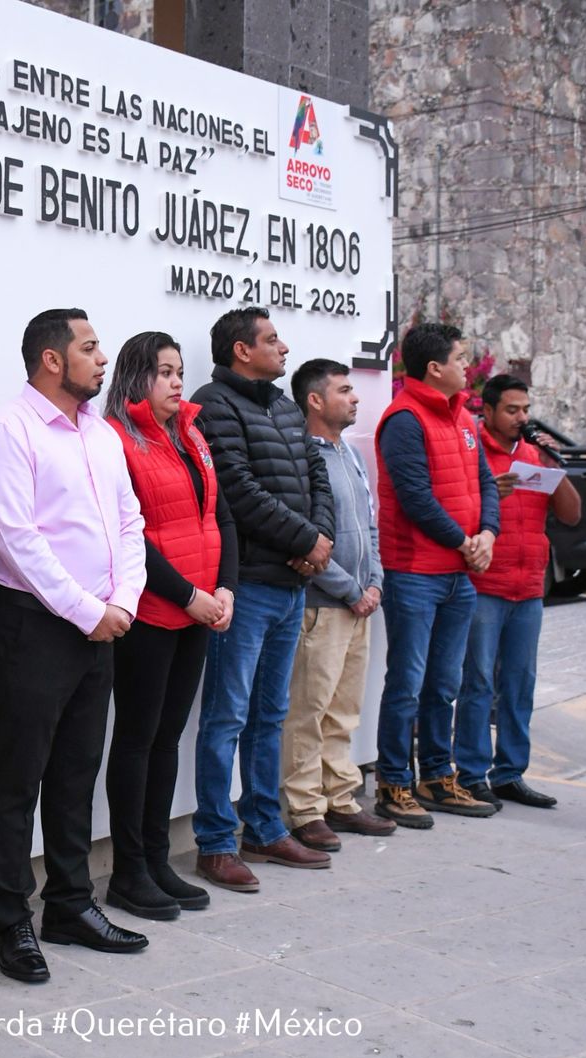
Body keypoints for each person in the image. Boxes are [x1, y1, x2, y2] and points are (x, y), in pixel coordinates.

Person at [0, 308, 148, 983]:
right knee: (19, 776)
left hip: (101, 620)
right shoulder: (6, 431)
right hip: (33, 623)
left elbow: (129, 520)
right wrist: (86, 610)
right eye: (89, 347)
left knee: (78, 770)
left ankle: (71, 905)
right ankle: (11, 919)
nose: (102, 358)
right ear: (52, 359)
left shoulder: (100, 434)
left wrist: (122, 603)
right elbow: (15, 538)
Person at [190, 307, 338, 892]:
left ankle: (265, 826)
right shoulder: (214, 403)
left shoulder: (282, 405)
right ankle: (215, 843)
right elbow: (237, 490)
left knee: (269, 714)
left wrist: (315, 544)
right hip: (248, 585)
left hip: (290, 583)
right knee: (226, 716)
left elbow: (315, 477)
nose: (283, 347)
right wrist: (307, 541)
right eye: (271, 339)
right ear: (241, 350)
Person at [100, 331, 236, 920]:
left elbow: (220, 514)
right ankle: (128, 871)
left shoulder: (191, 433)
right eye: (164, 372)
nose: (178, 381)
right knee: (136, 739)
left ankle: (157, 858)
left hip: (201, 611)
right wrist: (189, 596)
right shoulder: (116, 441)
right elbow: (134, 541)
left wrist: (224, 588)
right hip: (155, 614)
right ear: (135, 377)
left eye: (179, 370)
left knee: (166, 737)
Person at [372, 321, 501, 829]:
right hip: (415, 574)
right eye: (460, 357)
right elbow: (415, 497)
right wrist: (464, 543)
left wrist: (487, 534)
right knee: (406, 682)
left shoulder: (465, 418)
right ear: (434, 368)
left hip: (458, 574)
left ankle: (435, 777)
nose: (466, 365)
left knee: (444, 684)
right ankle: (393, 784)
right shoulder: (403, 419)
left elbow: (486, 482)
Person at [280, 359, 395, 852]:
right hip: (322, 606)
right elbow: (304, 540)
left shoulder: (348, 454)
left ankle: (340, 799)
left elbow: (369, 526)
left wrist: (375, 582)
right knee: (309, 711)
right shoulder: (303, 456)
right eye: (345, 390)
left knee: (344, 710)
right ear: (315, 400)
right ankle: (305, 810)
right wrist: (353, 590)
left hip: (359, 605)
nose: (355, 398)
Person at [453, 375, 580, 812]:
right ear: (486, 411)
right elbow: (457, 509)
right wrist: (490, 488)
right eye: (512, 410)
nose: (521, 418)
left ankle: (510, 774)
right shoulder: (473, 454)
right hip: (486, 585)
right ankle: (470, 774)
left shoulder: (533, 454)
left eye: (525, 409)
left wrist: (550, 462)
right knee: (479, 683)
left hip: (528, 588)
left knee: (520, 683)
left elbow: (571, 513)